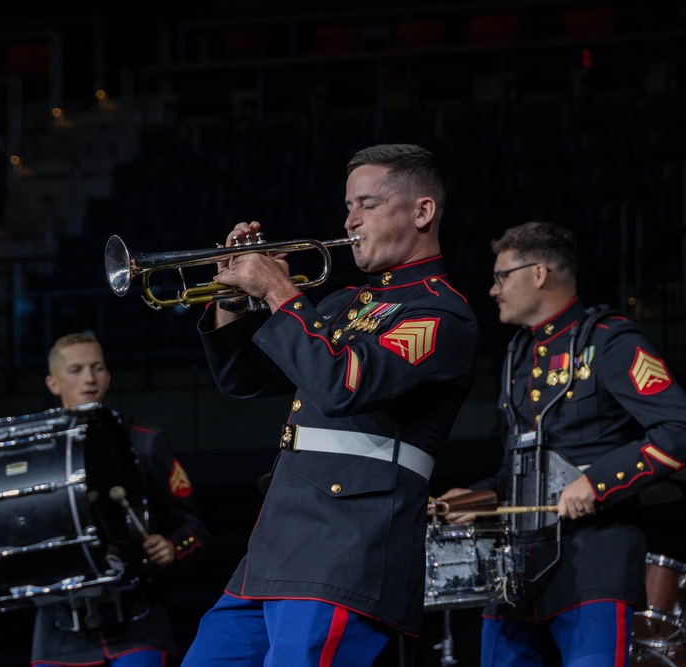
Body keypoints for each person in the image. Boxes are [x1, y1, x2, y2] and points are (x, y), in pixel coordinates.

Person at [182, 143, 481, 666]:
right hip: (275, 549)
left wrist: (279, 291)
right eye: (348, 205)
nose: (350, 219)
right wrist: (232, 299)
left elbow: (342, 384)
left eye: (367, 203)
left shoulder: (441, 314)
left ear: (422, 211)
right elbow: (244, 379)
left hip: (345, 554)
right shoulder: (344, 303)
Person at [438, 221, 686, 665]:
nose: (493, 289)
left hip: (592, 571)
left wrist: (597, 483)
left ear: (539, 273)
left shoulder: (611, 340)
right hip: (516, 578)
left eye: (502, 276)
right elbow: (516, 471)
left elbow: (684, 432)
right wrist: (477, 499)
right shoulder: (516, 356)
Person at [31, 332, 210, 667]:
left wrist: (173, 548)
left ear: (109, 377)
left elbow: (195, 529)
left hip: (139, 626)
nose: (89, 378)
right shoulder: (36, 455)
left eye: (97, 368)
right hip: (58, 634)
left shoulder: (145, 443)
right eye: (76, 369)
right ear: (53, 384)